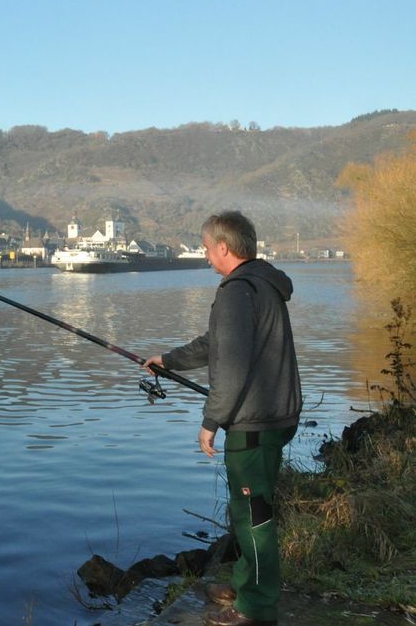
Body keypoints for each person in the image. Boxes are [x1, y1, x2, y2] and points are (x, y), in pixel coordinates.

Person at [144, 211, 301, 626]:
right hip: (275, 416)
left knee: (254, 518)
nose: (206, 255)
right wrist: (169, 361)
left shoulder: (236, 291)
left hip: (253, 423)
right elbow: (217, 343)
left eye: (208, 248)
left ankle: (255, 608)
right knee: (249, 510)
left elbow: (229, 366)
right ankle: (244, 584)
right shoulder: (263, 283)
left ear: (225, 248)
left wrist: (210, 421)